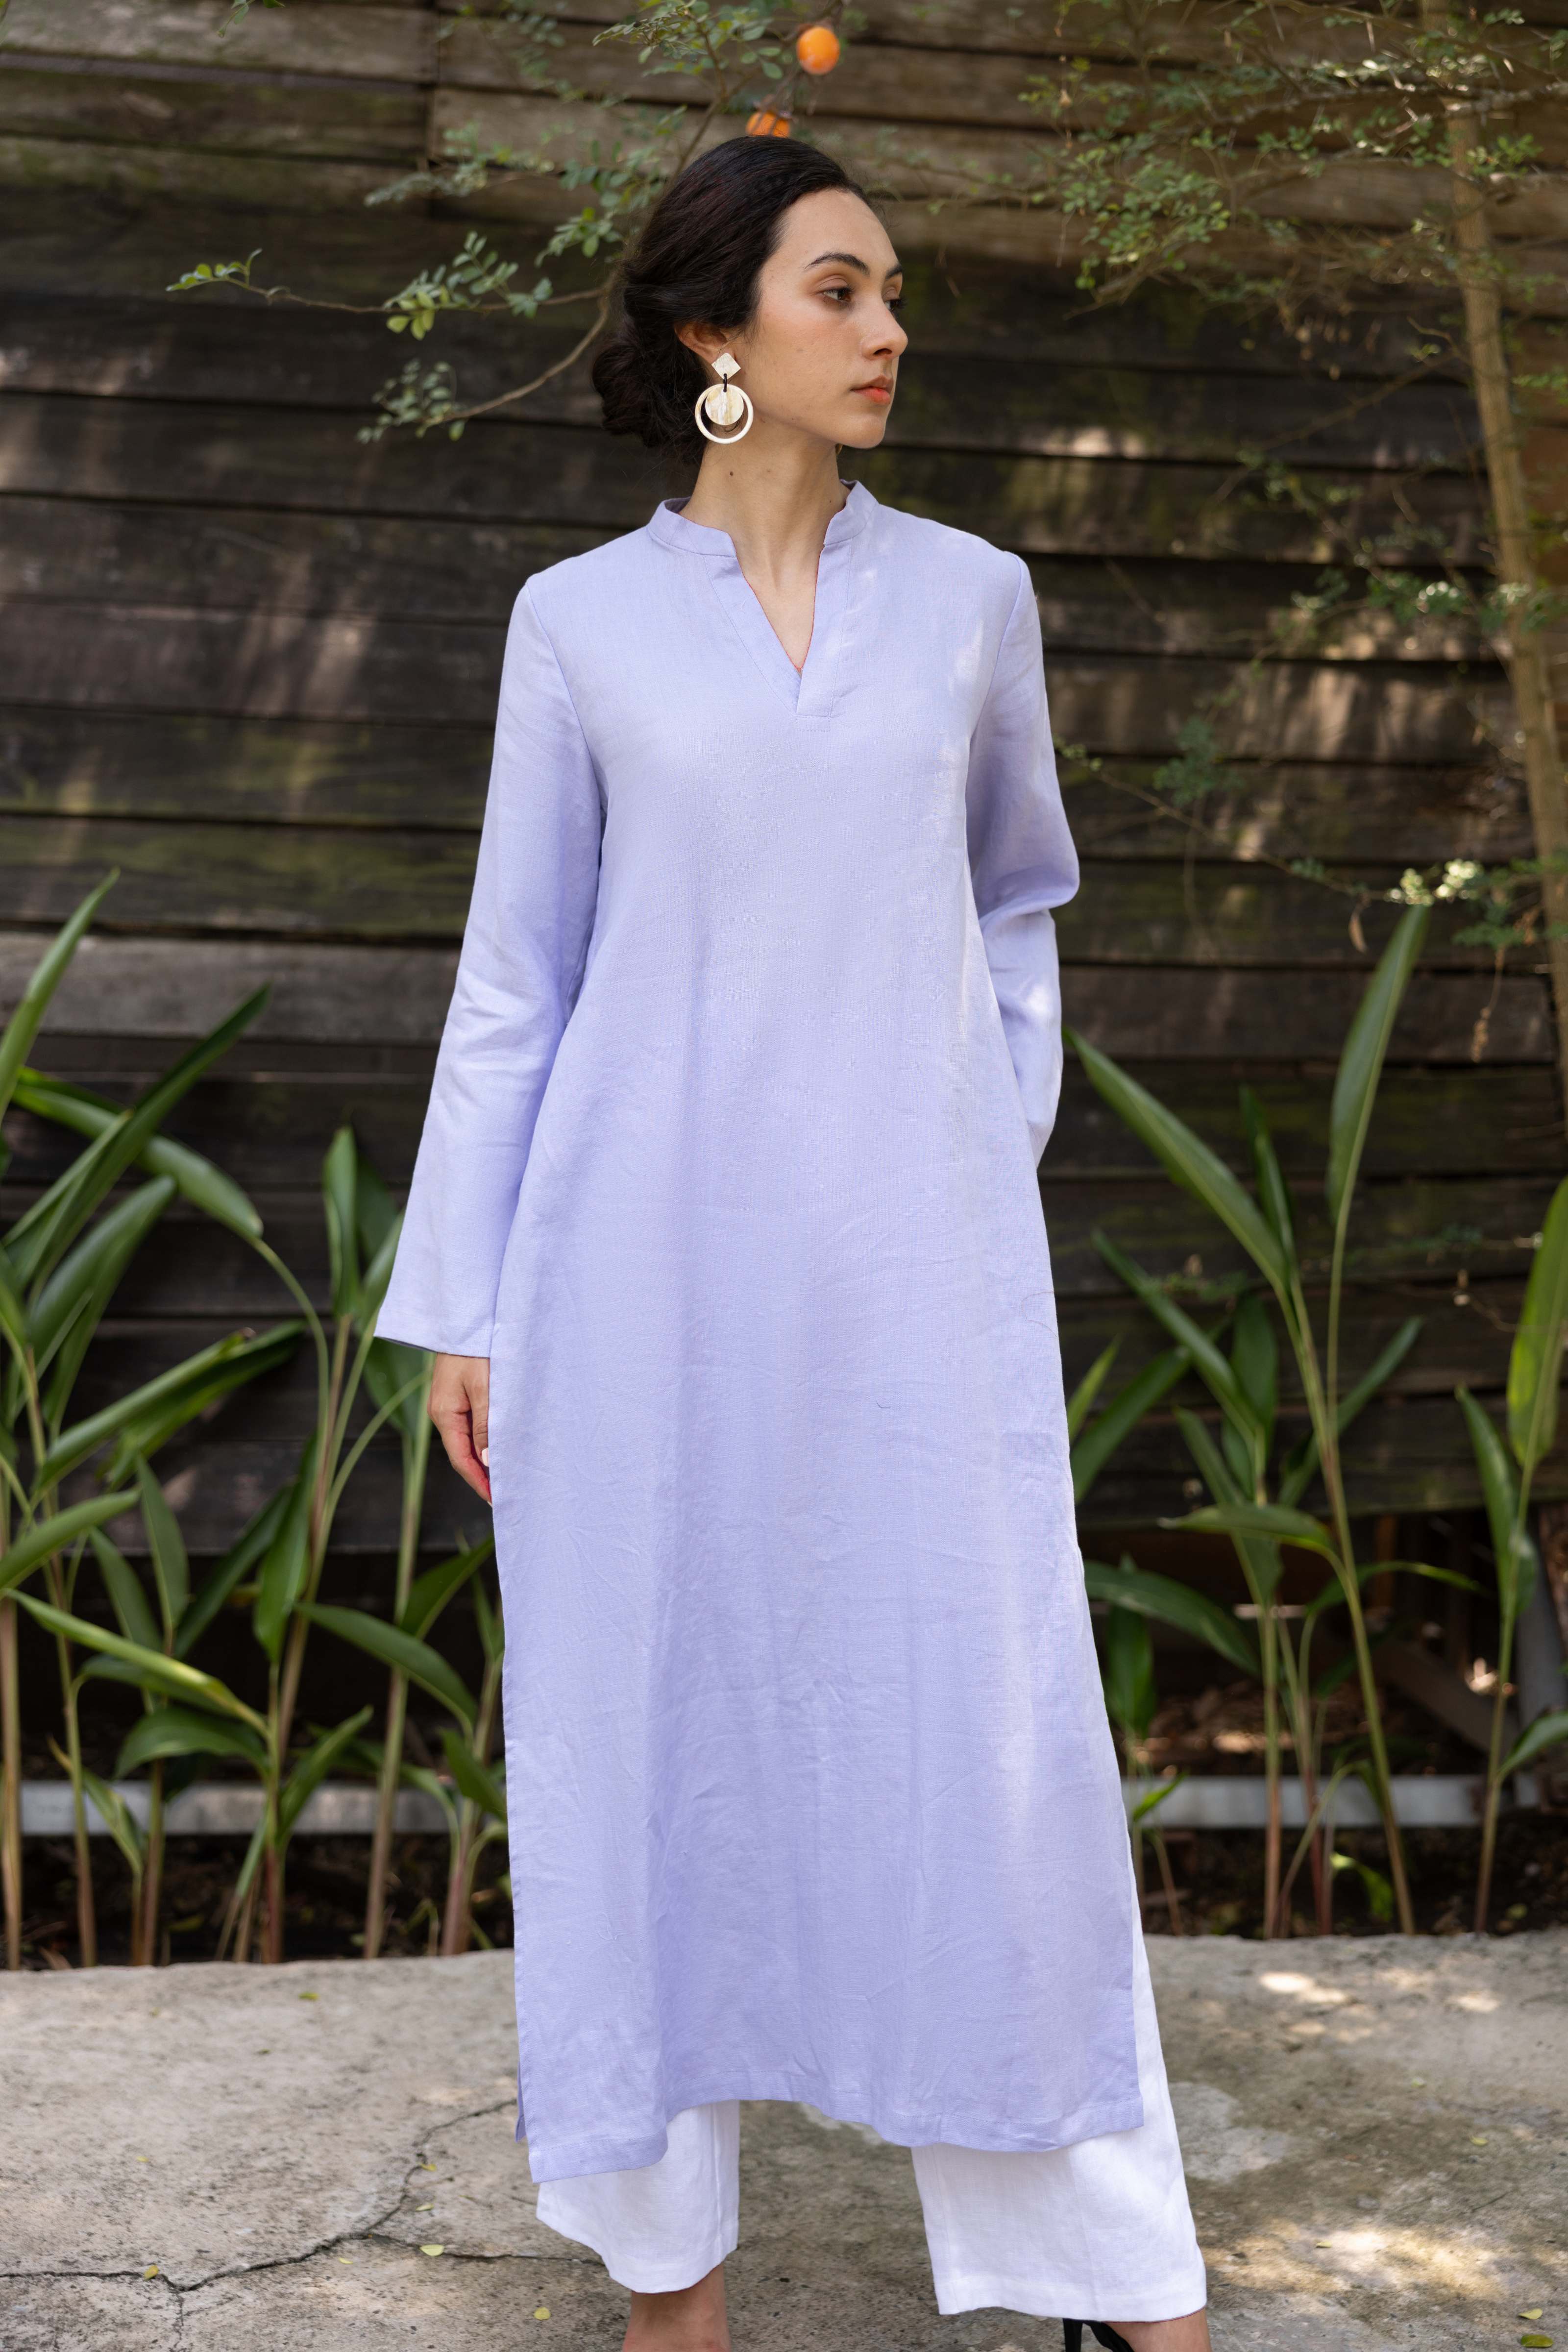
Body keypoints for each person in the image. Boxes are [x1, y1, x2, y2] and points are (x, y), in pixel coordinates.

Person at [373, 134, 1211, 2352]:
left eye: (893, 291)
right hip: (631, 1282)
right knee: (645, 1734)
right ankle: (675, 2288)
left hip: (915, 1276)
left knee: (984, 1732)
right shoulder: (579, 625)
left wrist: (973, 1141)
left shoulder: (971, 601)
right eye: (840, 289)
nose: (888, 329)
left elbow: (1018, 903)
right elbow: (516, 980)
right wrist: (464, 1306)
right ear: (712, 330)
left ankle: (1118, 2274)